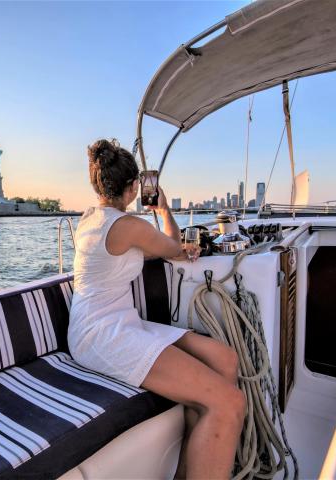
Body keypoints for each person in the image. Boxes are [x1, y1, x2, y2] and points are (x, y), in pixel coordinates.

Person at [68, 139, 246, 479]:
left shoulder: (92, 219)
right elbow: (176, 249)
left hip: (117, 323)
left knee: (225, 359)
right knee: (230, 403)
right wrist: (162, 209)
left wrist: (160, 244)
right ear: (135, 187)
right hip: (102, 335)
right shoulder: (129, 226)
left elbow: (130, 253)